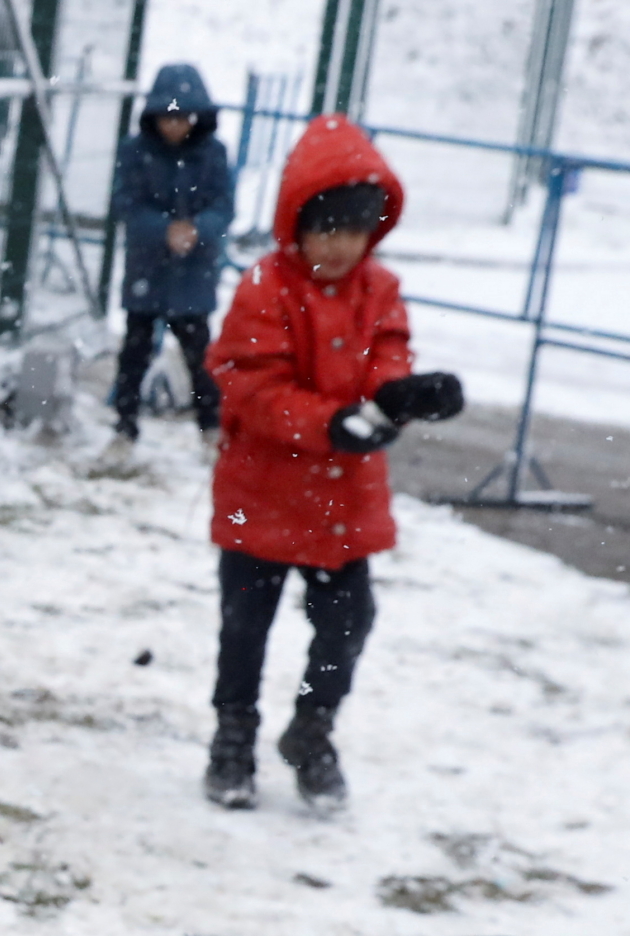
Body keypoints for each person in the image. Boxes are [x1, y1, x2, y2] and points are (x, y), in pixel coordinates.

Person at [201, 114, 463, 811]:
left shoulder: (379, 290)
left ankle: (313, 730)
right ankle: (233, 731)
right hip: (260, 494)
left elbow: (387, 357)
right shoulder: (266, 286)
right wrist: (328, 422)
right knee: (245, 627)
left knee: (348, 623)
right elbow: (249, 383)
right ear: (298, 223)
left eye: (355, 230)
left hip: (341, 504)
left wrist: (402, 395)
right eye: (328, 229)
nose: (341, 246)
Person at [106, 63, 233, 454]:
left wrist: (198, 230)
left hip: (193, 273)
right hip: (148, 268)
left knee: (201, 357)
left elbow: (223, 206)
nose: (173, 126)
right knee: (135, 352)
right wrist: (163, 230)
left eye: (181, 118)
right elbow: (125, 203)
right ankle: (125, 427)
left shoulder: (212, 155)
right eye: (167, 117)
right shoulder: (135, 152)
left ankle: (210, 426)